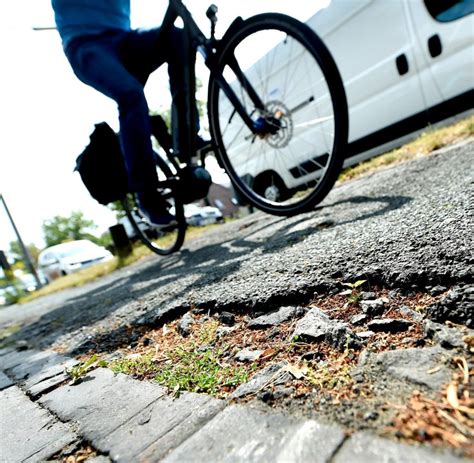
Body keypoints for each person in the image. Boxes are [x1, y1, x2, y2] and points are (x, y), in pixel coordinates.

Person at [51, 0, 199, 227]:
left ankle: (187, 137)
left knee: (178, 38)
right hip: (86, 45)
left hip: (124, 40)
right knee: (131, 95)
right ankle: (147, 198)